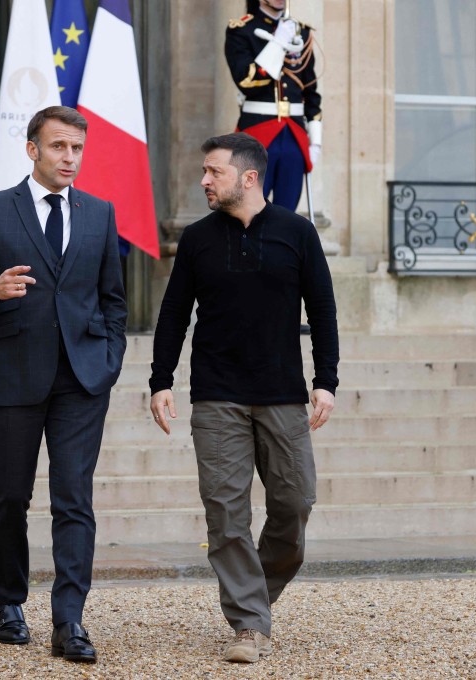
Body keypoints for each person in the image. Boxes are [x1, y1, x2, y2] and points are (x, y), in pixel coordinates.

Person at [149, 132, 338, 663]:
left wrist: (327, 380)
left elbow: (322, 310)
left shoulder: (297, 233)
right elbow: (172, 314)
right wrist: (160, 380)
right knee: (225, 513)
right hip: (216, 396)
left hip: (282, 393)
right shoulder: (197, 239)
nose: (204, 181)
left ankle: (254, 595)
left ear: (249, 177)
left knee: (295, 504)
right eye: (204, 171)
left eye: (214, 172)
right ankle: (249, 625)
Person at [0, 105, 126, 663]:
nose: (69, 158)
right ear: (32, 150)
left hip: (82, 379)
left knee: (74, 499)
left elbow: (113, 300)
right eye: (58, 147)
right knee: (13, 496)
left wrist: (109, 359)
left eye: (76, 148)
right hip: (14, 375)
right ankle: (9, 601)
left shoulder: (99, 213)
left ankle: (69, 621)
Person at [225, 0, 321, 211]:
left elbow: (311, 92)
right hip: (257, 133)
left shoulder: (301, 33)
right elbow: (246, 81)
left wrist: (316, 141)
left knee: (286, 214)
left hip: (294, 135)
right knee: (248, 211)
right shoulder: (242, 30)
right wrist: (277, 44)